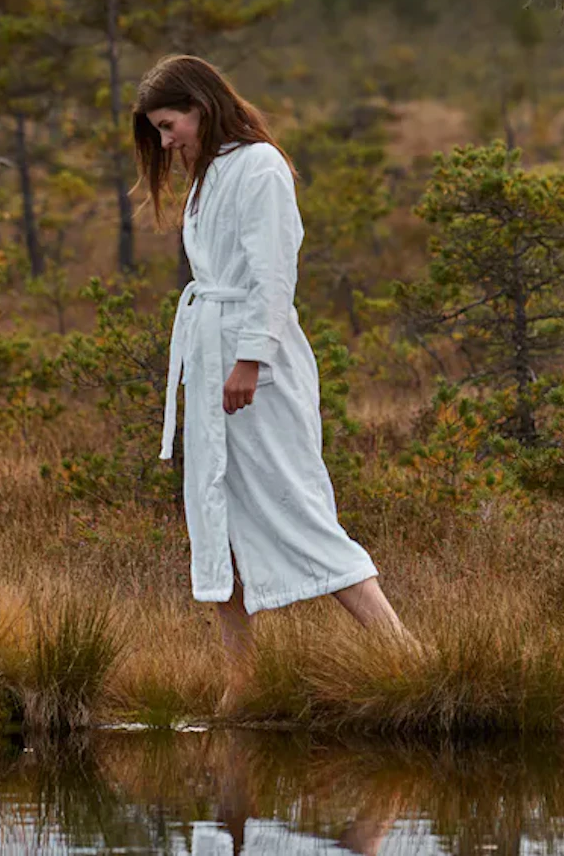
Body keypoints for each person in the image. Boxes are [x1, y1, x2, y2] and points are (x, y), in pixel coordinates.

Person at [133, 54, 413, 713]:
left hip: (253, 366)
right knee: (215, 515)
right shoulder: (208, 176)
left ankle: (406, 659)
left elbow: (273, 272)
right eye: (159, 131)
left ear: (203, 105)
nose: (167, 141)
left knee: (298, 507)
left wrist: (250, 359)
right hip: (212, 362)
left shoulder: (257, 167)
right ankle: (243, 684)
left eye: (171, 125)